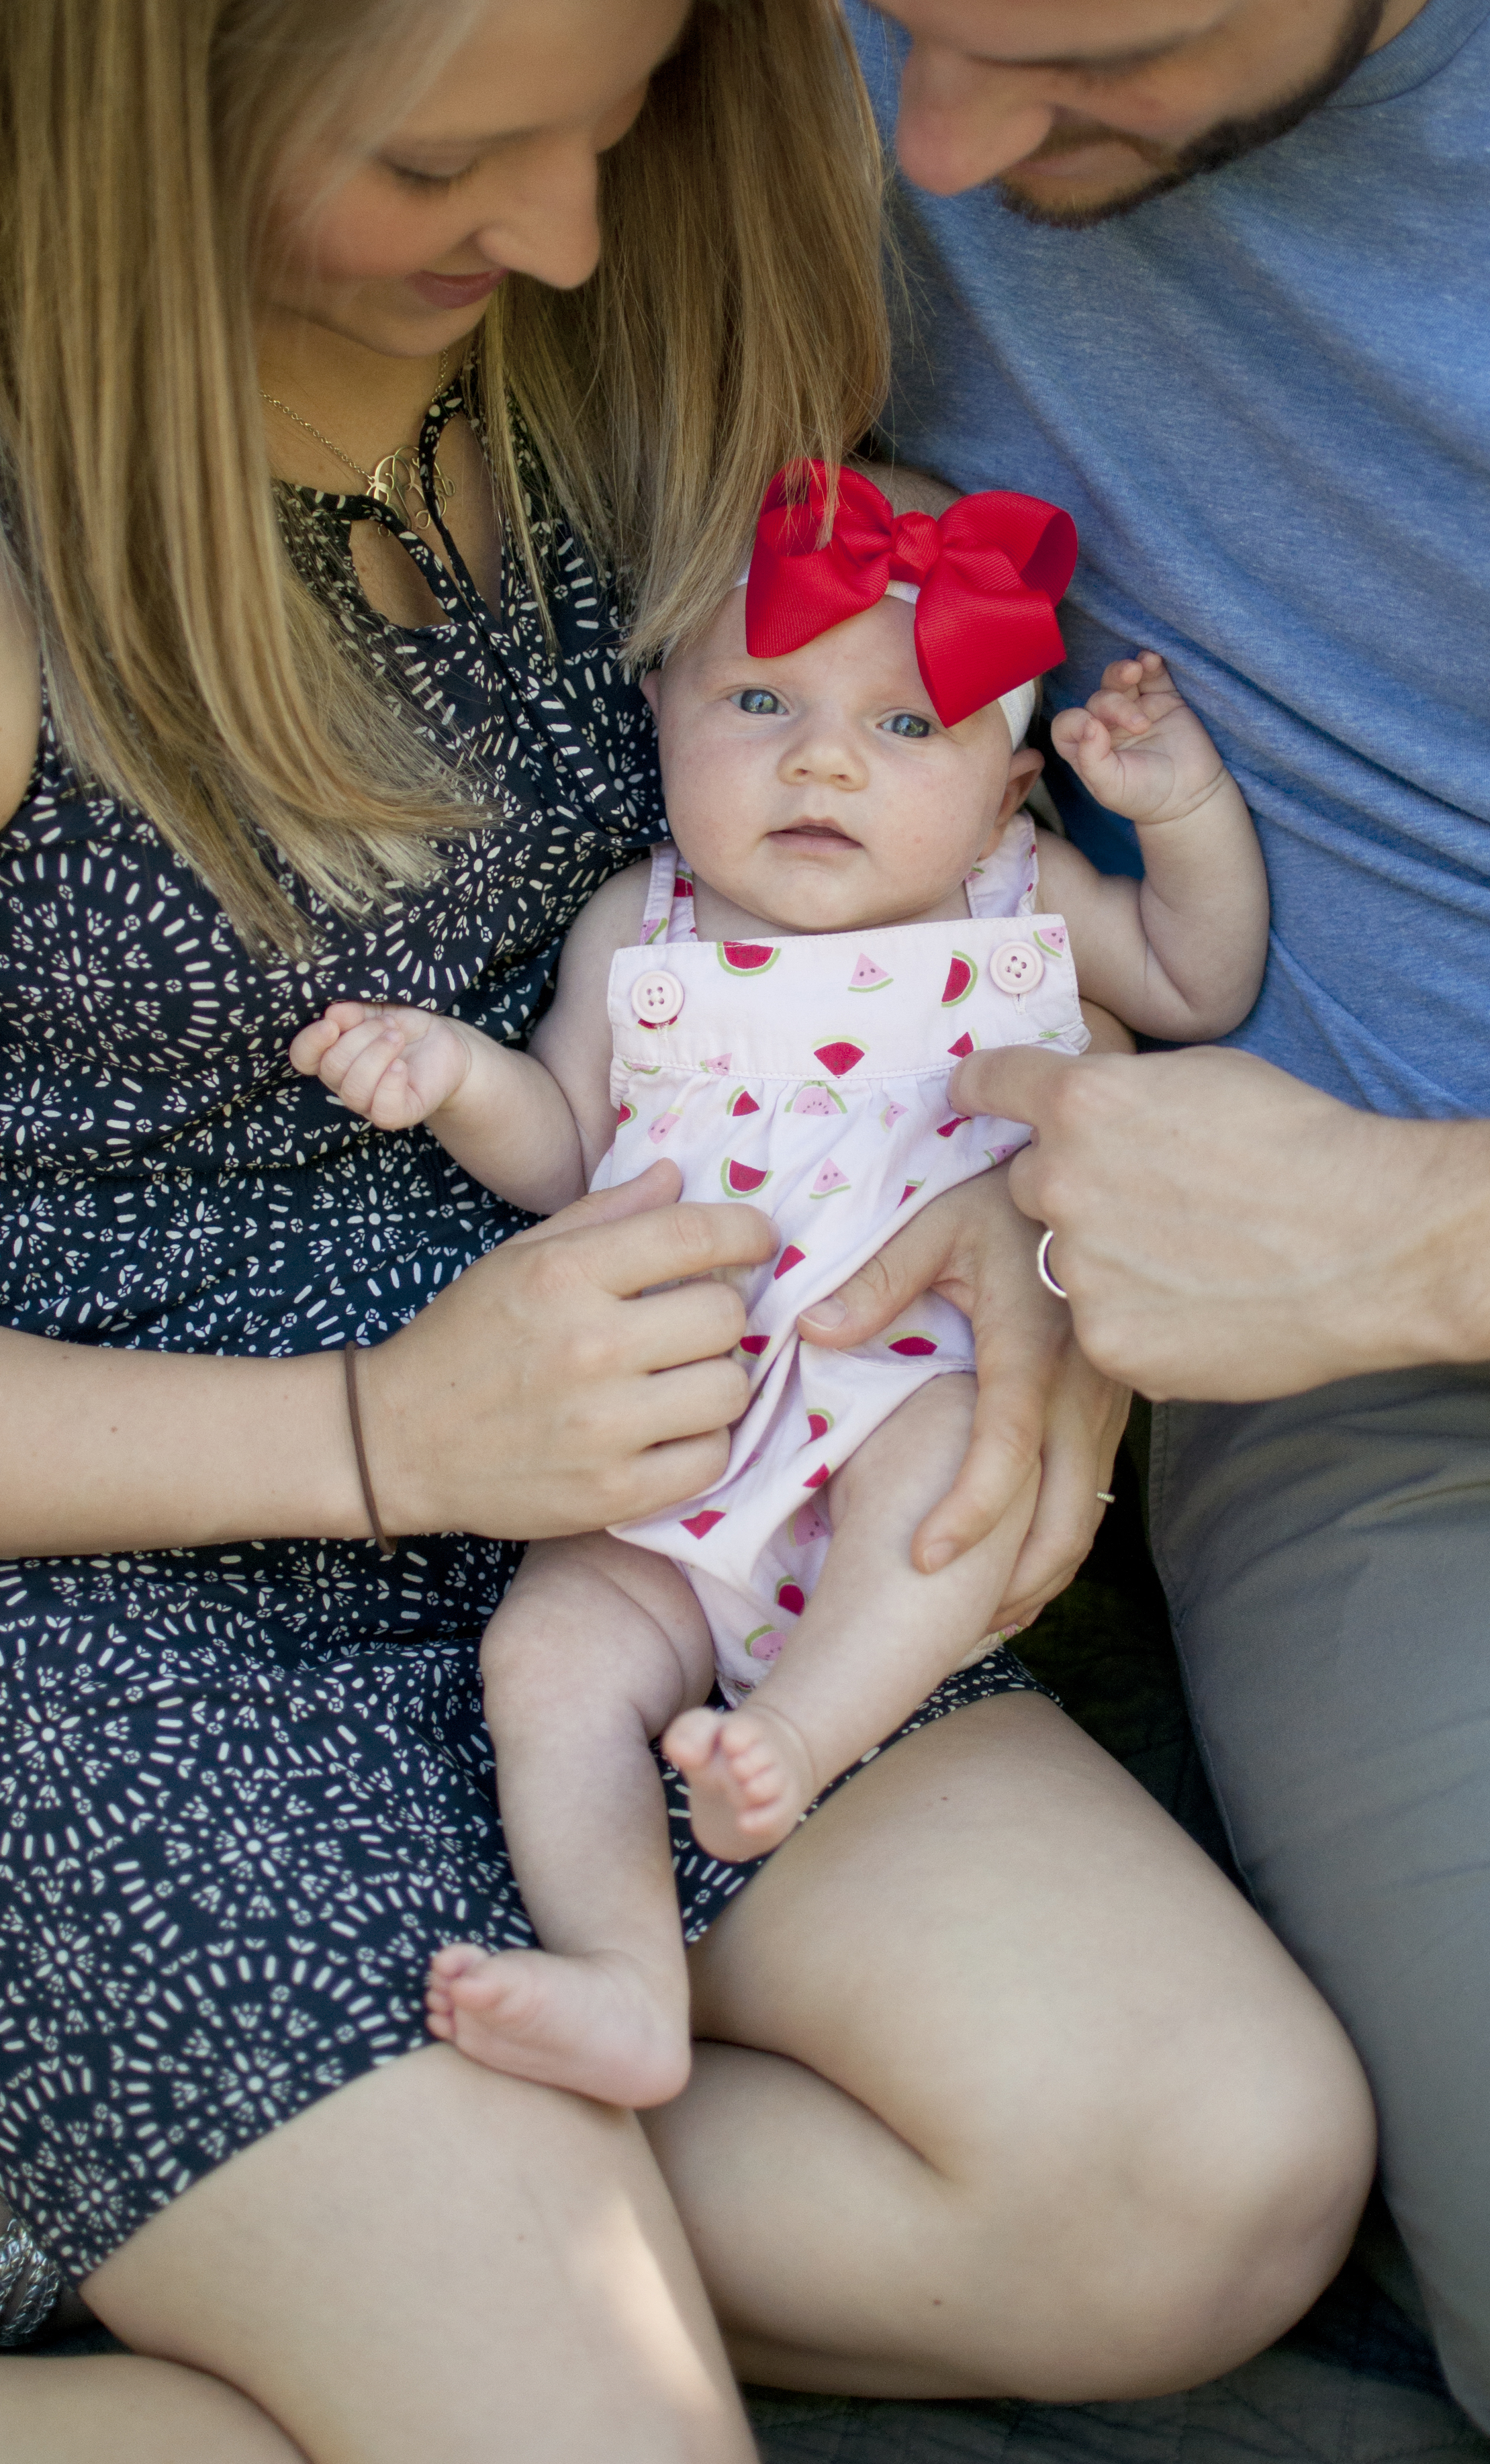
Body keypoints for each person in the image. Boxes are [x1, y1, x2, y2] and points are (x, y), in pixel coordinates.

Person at [0, 0, 1376, 2456]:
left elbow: (906, 941)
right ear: (149, 95)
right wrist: (382, 1437)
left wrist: (1017, 1267)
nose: (573, 232)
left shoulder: (632, 332)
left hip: (667, 1496)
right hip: (84, 1600)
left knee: (1198, 2184)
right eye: (441, 160)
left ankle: (56, 2232)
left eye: (610, 121)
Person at [820, 0, 1490, 2455]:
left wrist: (1448, 1225)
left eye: (1082, 57)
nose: (934, 145)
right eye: (884, 2)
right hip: (1403, 1407)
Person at [293, 455, 1268, 2110]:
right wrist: (450, 1073)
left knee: (946, 1469)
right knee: (550, 1659)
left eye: (905, 728)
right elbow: (561, 1147)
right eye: (758, 697)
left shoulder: (1017, 900)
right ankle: (617, 1970)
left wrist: (1174, 809)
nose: (820, 757)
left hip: (898, 1379)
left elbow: (1197, 974)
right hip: (677, 1428)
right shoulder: (640, 927)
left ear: (1006, 786)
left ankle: (802, 1739)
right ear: (660, 713)